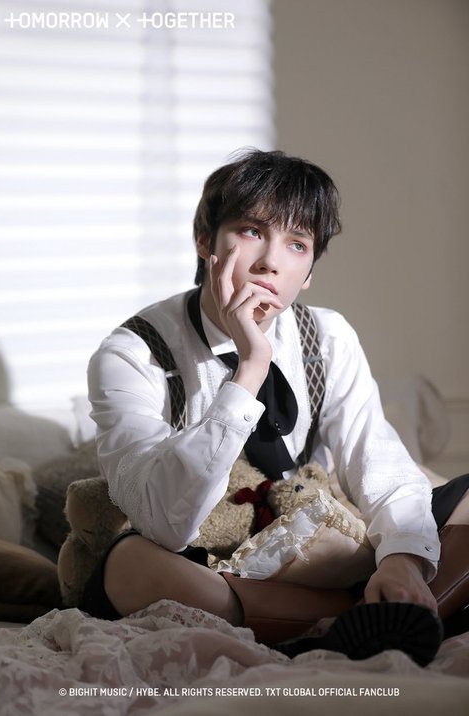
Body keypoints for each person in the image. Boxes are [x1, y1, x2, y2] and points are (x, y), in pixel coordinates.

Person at [81, 149, 469, 664]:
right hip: (210, 559)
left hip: (315, 541)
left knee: (444, 507)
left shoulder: (326, 337)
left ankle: (392, 604)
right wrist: (249, 369)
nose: (271, 260)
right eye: (251, 230)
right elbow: (165, 523)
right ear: (205, 240)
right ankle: (354, 619)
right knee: (131, 566)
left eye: (297, 243)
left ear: (308, 272)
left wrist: (401, 560)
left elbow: (375, 458)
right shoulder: (134, 353)